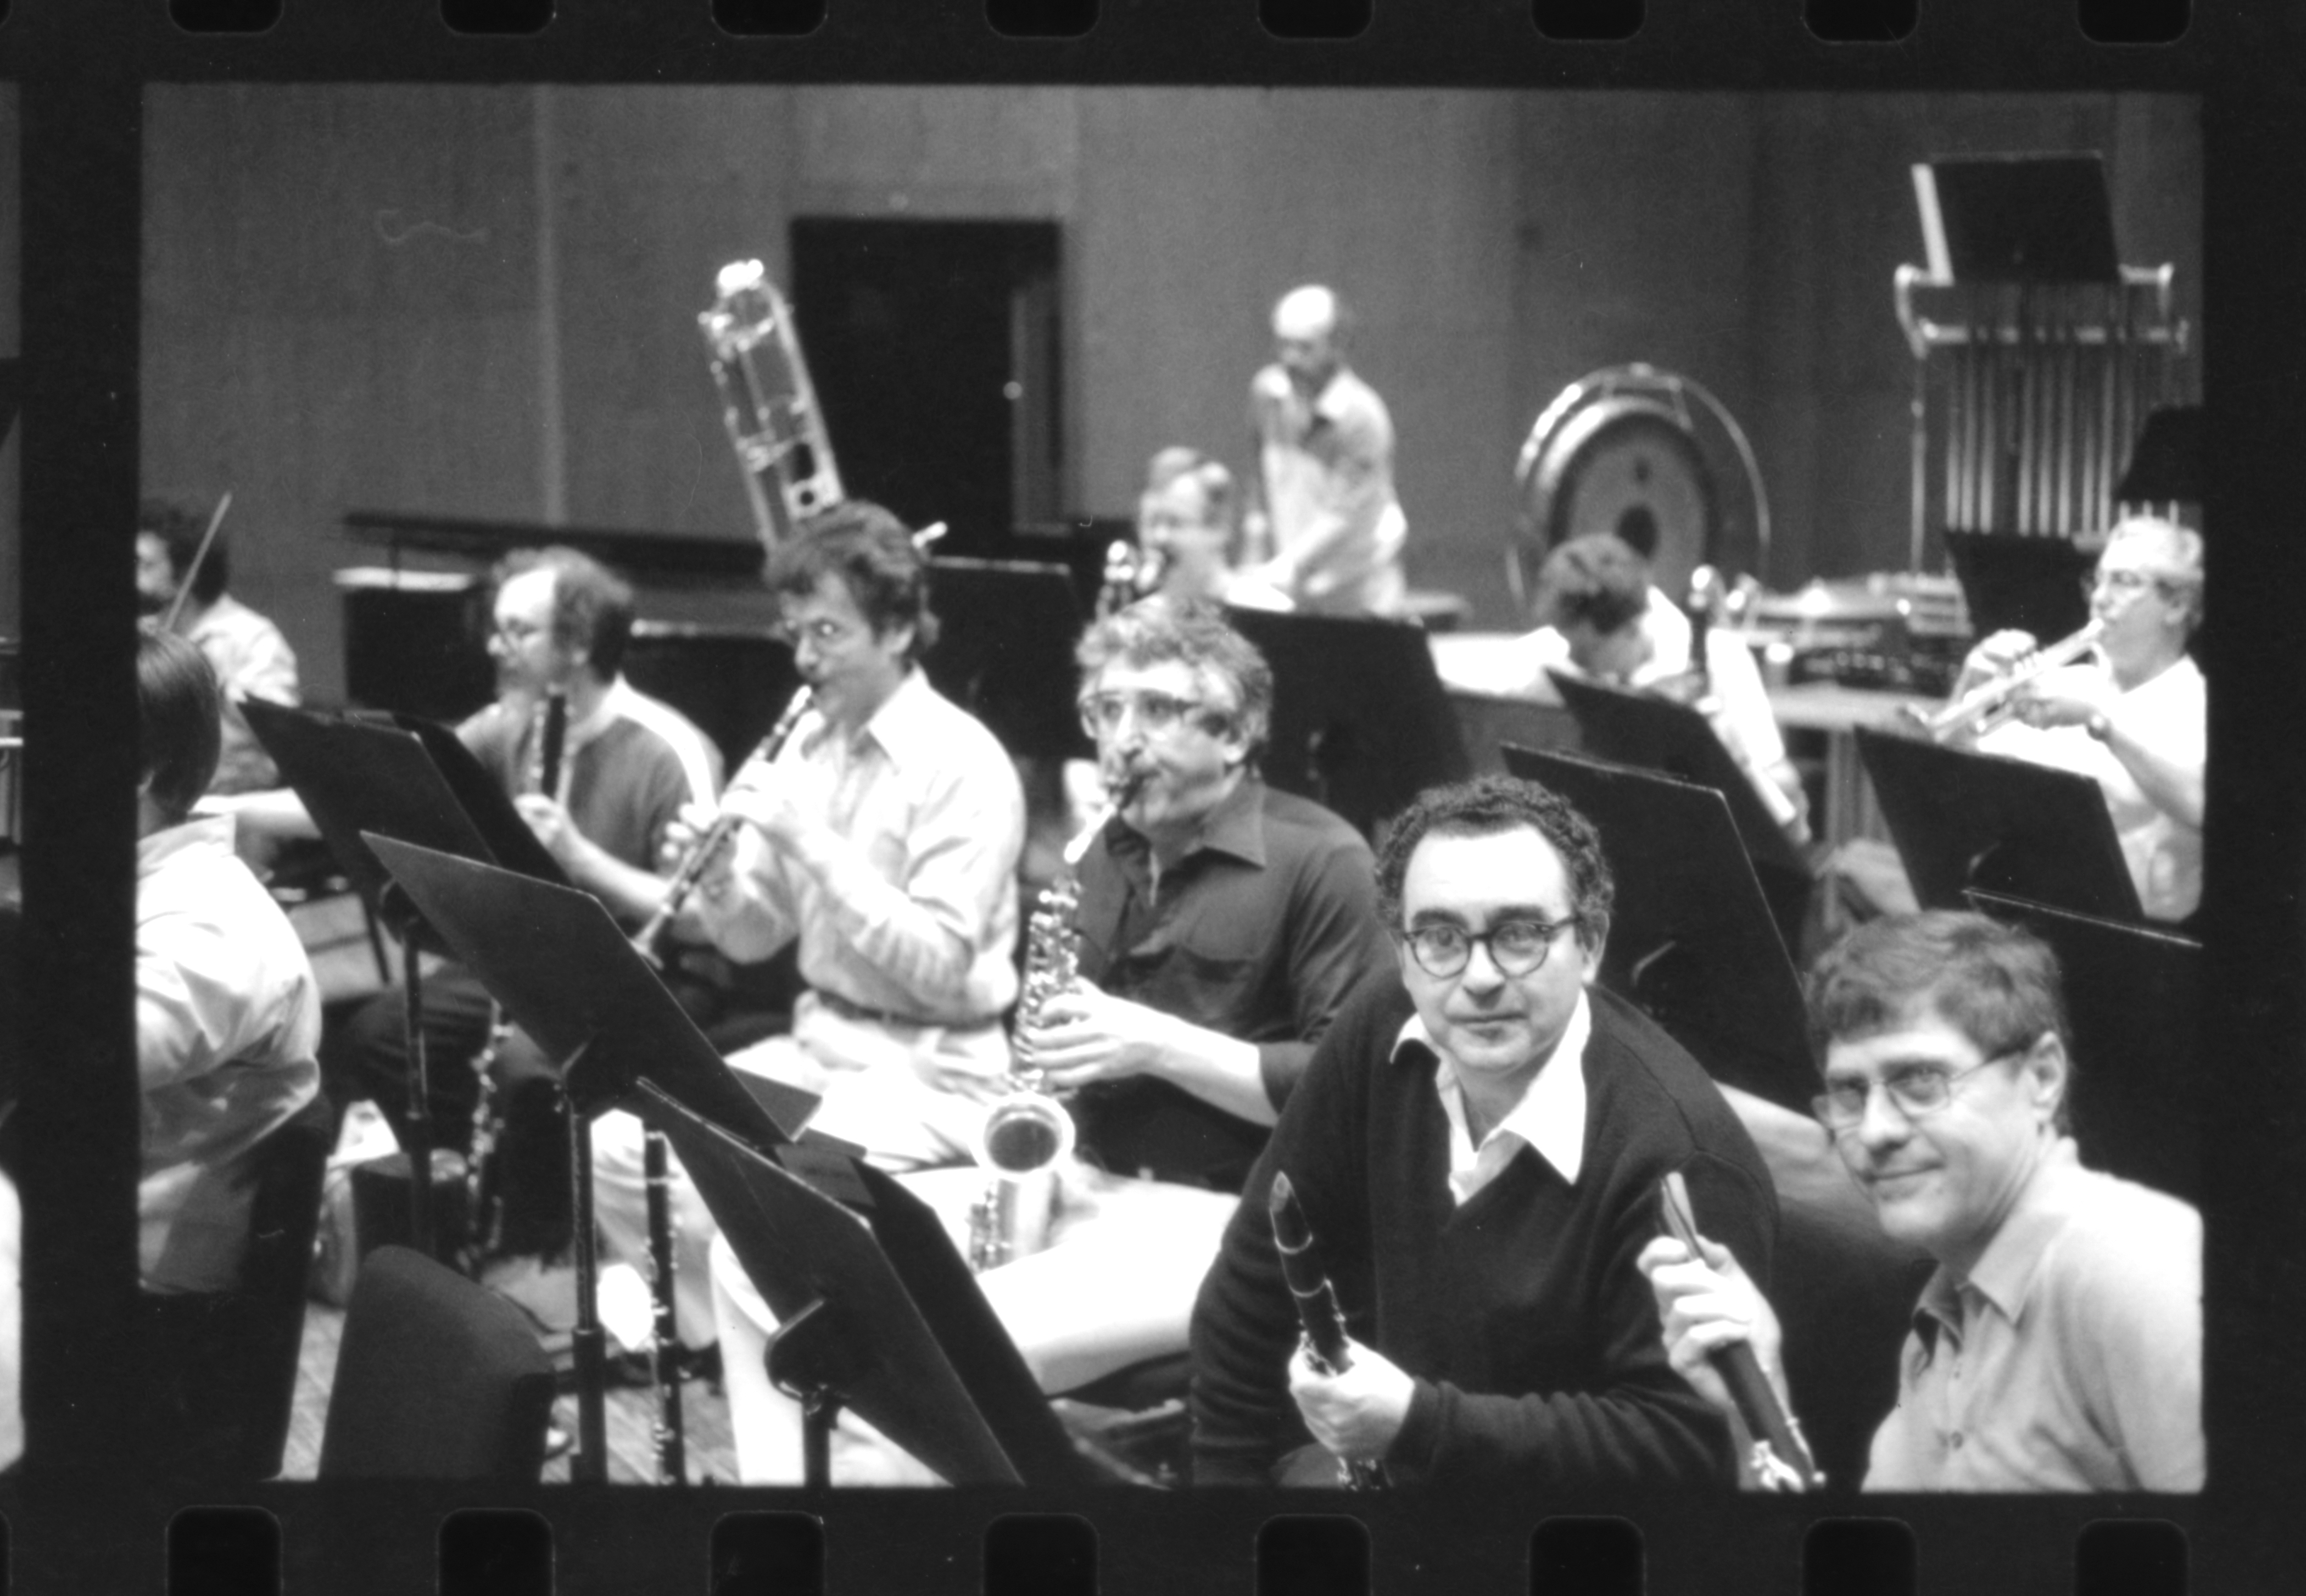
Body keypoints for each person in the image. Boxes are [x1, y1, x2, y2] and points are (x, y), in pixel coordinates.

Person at [703, 595, 1393, 1483]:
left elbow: (1353, 1093)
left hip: (1235, 1221)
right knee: (758, 1263)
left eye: (1156, 709)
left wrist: (1149, 1042)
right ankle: (783, 1516)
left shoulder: (1322, 862)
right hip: (1085, 1182)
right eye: (1105, 710)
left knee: (943, 1350)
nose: (1121, 740)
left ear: (1235, 734)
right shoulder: (1099, 855)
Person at [1190, 774, 1778, 1488]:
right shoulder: (1379, 1021)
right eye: (1438, 937)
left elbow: (1683, 1448)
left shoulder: (1675, 1156)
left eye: (1518, 934)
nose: (1478, 976)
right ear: (1402, 955)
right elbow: (1247, 1295)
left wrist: (1417, 1424)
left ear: (1588, 945)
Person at [587, 501, 1027, 1383]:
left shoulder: (964, 764)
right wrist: (715, 883)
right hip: (821, 1046)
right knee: (619, 1144)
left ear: (899, 628)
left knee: (786, 1176)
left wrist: (806, 841)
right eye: (795, 632)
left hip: (935, 1071)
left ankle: (810, 1363)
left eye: (829, 632)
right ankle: (724, 1343)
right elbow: (752, 942)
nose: (803, 659)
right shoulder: (807, 751)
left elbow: (940, 965)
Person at [1640, 911, 2202, 1491]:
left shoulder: (2135, 1274)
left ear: (2041, 1077)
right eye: (1849, 1091)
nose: (1876, 1129)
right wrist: (1754, 1401)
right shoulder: (1942, 1314)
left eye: (1920, 1080)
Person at [321, 545, 721, 1260]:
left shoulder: (668, 749)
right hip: (533, 961)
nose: (494, 648)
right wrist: (245, 803)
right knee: (381, 1037)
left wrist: (580, 856)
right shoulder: (512, 721)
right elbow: (399, 780)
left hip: (639, 971)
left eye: (517, 632)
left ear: (576, 644)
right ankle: (477, 1200)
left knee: (529, 1073)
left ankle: (547, 1250)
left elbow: (701, 918)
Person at [136, 630, 323, 1294]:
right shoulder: (128, 885)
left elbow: (73, 1062)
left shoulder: (209, 923)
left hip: (136, 1293)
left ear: (139, 772)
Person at [1948, 516, 2204, 923]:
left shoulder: (2198, 704)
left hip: (2138, 941)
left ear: (2175, 605)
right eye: (2097, 580)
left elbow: (2202, 803)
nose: (2100, 598)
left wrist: (2100, 718)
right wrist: (1969, 687)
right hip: (2029, 914)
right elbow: (1959, 774)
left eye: (2123, 581)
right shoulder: (2068, 683)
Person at [1523, 532, 1807, 845]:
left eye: (1586, 653)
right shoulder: (1584, 636)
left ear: (1633, 629)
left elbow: (1785, 789)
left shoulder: (1722, 658)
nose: (1576, 662)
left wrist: (1729, 756)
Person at [1243, 285, 1409, 617]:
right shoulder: (1266, 392)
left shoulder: (1361, 417)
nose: (1290, 358)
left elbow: (1344, 513)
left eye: (1304, 347)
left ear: (1338, 346)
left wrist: (1286, 567)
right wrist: (1253, 556)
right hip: (1294, 590)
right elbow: (1258, 482)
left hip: (1356, 599)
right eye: (1283, 344)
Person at [136, 498, 300, 796]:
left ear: (187, 574)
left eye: (144, 565)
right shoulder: (146, 628)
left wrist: (214, 681)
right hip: (156, 798)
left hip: (233, 810)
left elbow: (282, 735)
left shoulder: (253, 637)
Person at [1130, 448, 1288, 612]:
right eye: (1151, 523)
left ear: (1219, 529)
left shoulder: (1266, 612)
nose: (1160, 537)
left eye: (1175, 523)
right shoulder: (1138, 622)